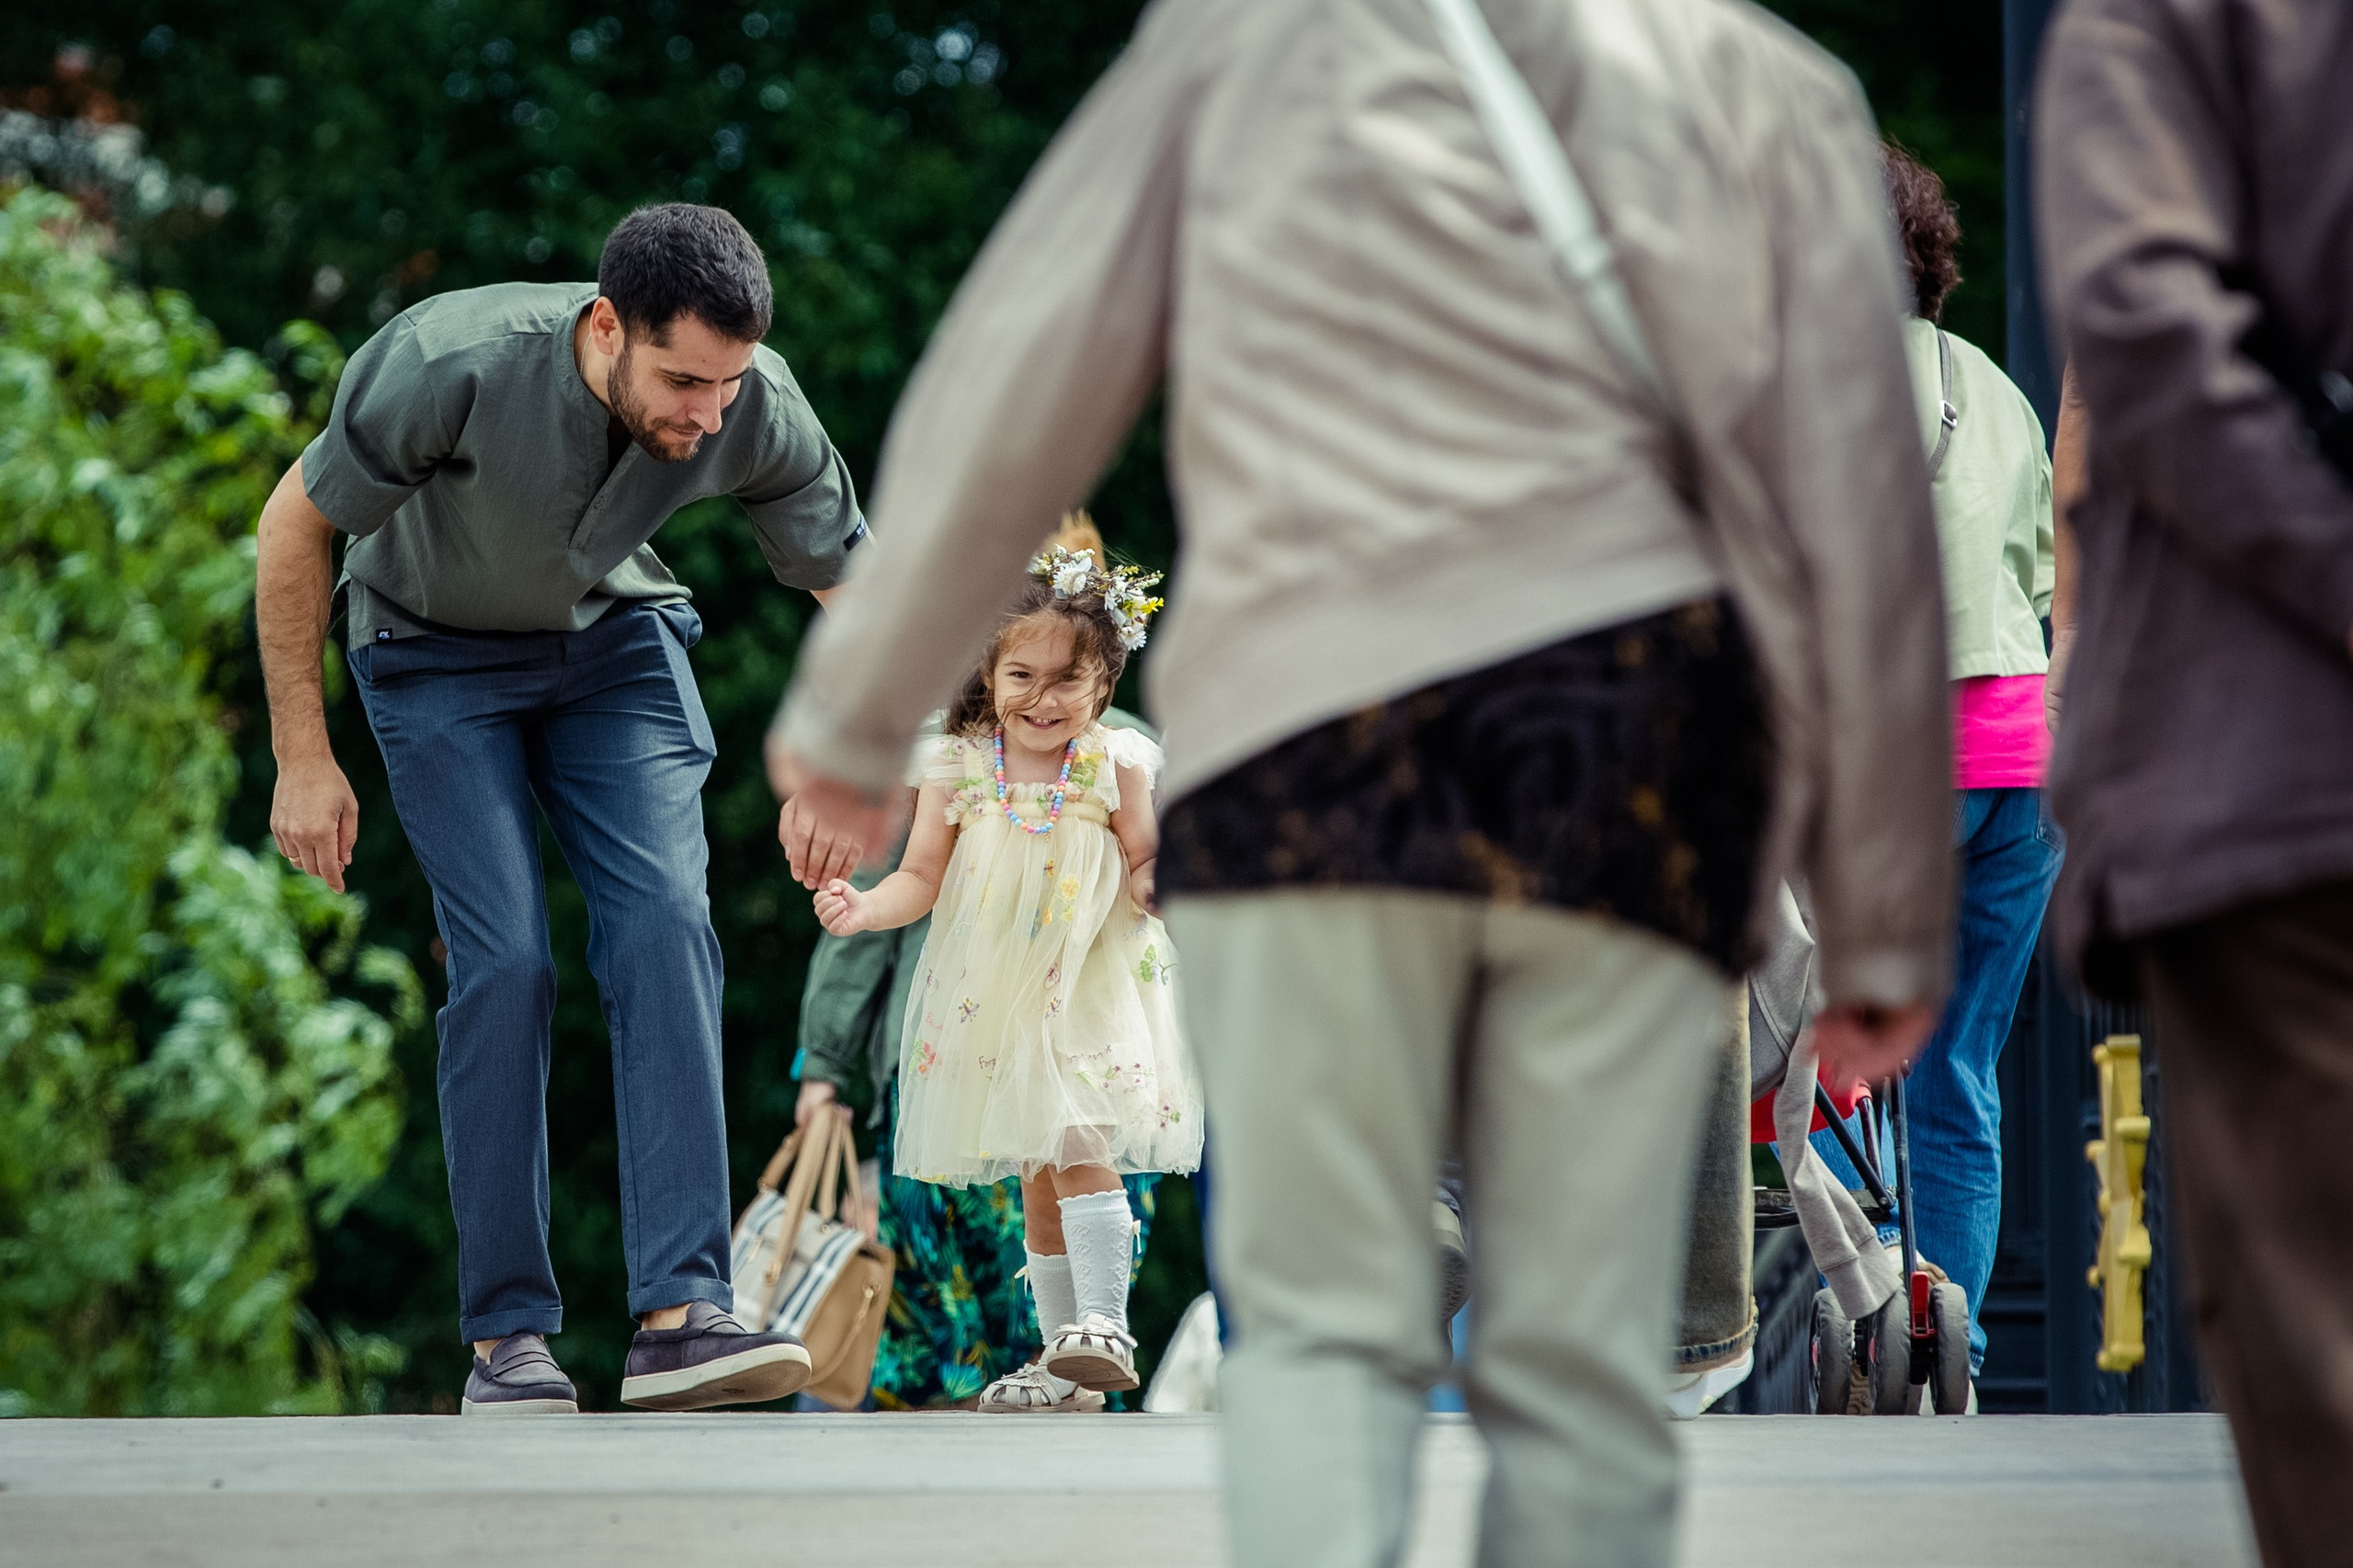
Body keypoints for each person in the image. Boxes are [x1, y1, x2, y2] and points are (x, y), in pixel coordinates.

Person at [770, 0, 1954, 1562]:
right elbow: (1865, 514)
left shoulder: (1241, 44)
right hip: (1633, 769)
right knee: (1584, 1363)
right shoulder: (1770, 84)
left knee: (1328, 1334)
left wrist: (859, 720)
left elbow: (1025, 368)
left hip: (1314, 748)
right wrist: (1883, 902)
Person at [255, 203, 864, 1414]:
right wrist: (302, 755)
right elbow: (296, 525)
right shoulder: (450, 361)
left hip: (613, 643)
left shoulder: (754, 402)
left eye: (729, 385)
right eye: (684, 380)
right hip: (431, 654)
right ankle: (508, 1341)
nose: (707, 414)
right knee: (508, 964)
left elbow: (860, 588)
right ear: (606, 328)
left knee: (665, 926)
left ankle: (684, 1318)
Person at [2037, 6, 2353, 1564]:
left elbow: (2137, 363)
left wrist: (2085, 694)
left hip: (2273, 761)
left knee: (2317, 1340)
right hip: (2264, 779)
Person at [807, 539, 1203, 1413]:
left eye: (1069, 679)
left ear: (1105, 682)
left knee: (1079, 1144)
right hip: (994, 999)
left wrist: (1161, 884)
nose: (1043, 697)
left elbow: (1143, 859)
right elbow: (917, 878)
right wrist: (864, 910)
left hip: (1088, 988)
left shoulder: (1115, 762)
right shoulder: (956, 765)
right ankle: (1064, 1362)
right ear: (986, 673)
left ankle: (1103, 1323)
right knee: (1036, 1174)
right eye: (1021, 674)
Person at [1877, 142, 2065, 1384]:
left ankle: (1865, 1317)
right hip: (2023, 765)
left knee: (1823, 1061)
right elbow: (2047, 578)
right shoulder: (1994, 388)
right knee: (1956, 1067)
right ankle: (1956, 1352)